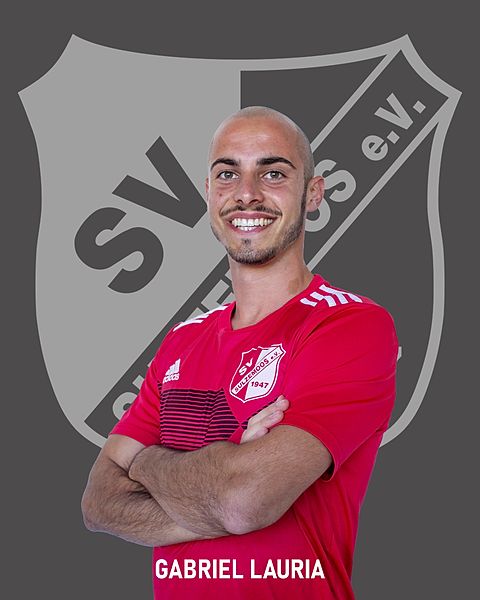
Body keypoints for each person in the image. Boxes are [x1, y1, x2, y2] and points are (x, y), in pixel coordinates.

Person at [81, 106, 398, 599]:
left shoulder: (350, 326)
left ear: (313, 193)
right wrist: (225, 478)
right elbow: (99, 504)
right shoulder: (181, 339)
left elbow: (244, 502)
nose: (246, 193)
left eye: (273, 173)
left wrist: (145, 464)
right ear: (209, 192)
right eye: (228, 174)